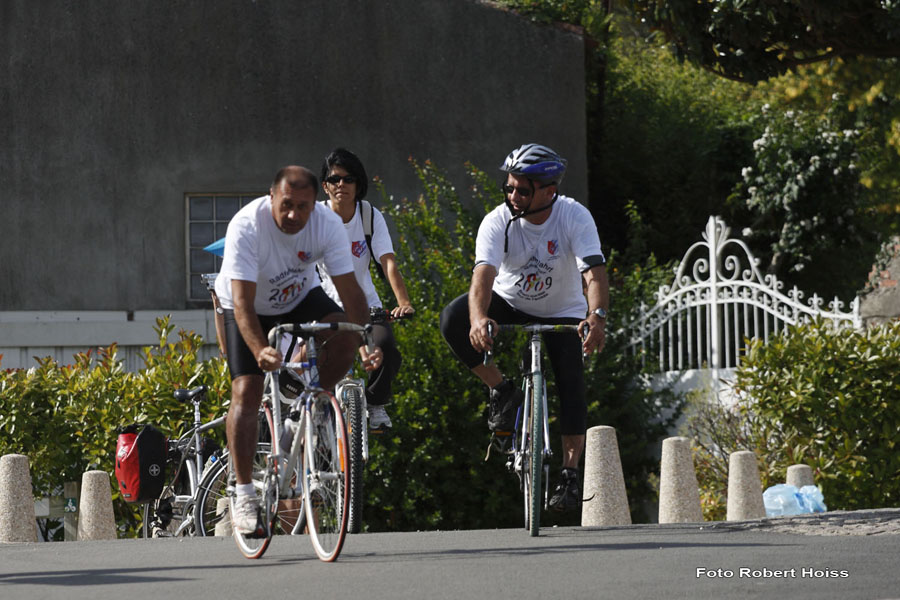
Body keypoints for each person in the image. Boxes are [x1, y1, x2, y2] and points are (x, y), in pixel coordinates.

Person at [439, 143, 609, 512]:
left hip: (562, 310)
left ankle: (569, 474)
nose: (513, 197)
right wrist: (478, 319)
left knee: (571, 382)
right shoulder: (497, 220)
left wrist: (596, 317)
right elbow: (483, 277)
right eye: (510, 188)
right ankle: (503, 390)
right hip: (510, 302)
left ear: (549, 191)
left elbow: (594, 273)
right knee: (452, 319)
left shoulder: (573, 216)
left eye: (523, 191)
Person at [214, 165, 381, 535]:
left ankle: (309, 405)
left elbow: (350, 291)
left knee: (345, 336)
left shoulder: (326, 223)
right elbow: (241, 303)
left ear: (314, 204)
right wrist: (260, 349)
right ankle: (244, 493)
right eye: (286, 205)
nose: (293, 215)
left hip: (298, 296)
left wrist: (364, 341)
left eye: (302, 207)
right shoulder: (247, 226)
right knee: (247, 390)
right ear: (271, 197)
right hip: (247, 307)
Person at [317, 148, 415, 430]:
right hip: (326, 306)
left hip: (366, 305)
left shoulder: (370, 216)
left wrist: (404, 302)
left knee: (386, 347)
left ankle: (375, 403)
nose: (341, 185)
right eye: (334, 179)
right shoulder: (316, 218)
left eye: (348, 179)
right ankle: (316, 411)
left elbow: (388, 263)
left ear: (358, 184)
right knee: (316, 358)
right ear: (325, 186)